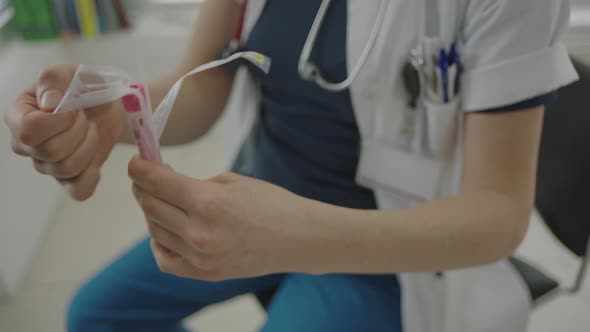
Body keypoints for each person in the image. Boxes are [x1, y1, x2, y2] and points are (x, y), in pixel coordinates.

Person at [3, 0, 579, 331]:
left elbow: (498, 217)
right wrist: (116, 109)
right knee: (98, 316)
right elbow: (201, 92)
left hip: (388, 254)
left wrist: (296, 237)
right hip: (256, 199)